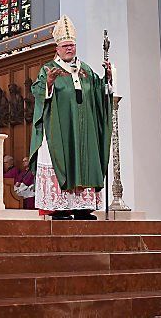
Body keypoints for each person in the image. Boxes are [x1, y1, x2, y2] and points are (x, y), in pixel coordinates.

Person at [29, 15, 112, 221]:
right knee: (61, 160)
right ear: (56, 48)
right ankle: (61, 208)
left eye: (72, 45)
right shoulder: (48, 69)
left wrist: (108, 80)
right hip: (58, 130)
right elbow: (38, 93)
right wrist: (48, 84)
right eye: (65, 45)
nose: (69, 49)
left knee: (84, 158)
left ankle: (83, 207)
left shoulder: (86, 70)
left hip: (85, 131)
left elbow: (97, 92)